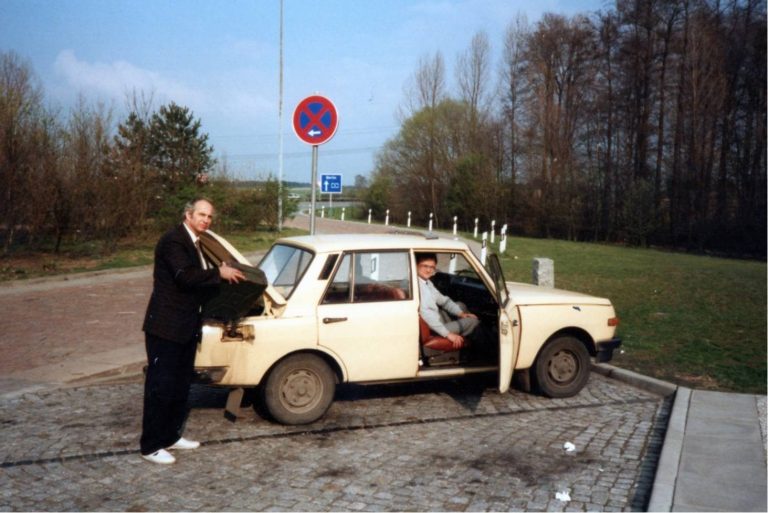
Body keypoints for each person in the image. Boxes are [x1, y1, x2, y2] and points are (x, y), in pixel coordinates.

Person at [140, 198, 245, 465]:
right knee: (161, 386)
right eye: (201, 215)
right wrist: (219, 273)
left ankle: (170, 436)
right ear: (188, 215)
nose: (206, 220)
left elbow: (198, 283)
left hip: (186, 326)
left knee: (180, 386)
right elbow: (184, 276)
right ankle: (151, 445)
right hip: (165, 327)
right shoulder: (173, 241)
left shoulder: (198, 242)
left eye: (209, 216)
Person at [416, 252, 479, 349]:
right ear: (416, 265)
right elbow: (426, 316)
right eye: (425, 266)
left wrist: (461, 314)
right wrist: (447, 334)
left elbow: (443, 300)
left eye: (432, 267)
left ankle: (468, 335)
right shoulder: (417, 287)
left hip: (436, 321)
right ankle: (475, 348)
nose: (428, 270)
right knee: (474, 322)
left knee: (460, 305)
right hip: (434, 329)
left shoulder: (426, 282)